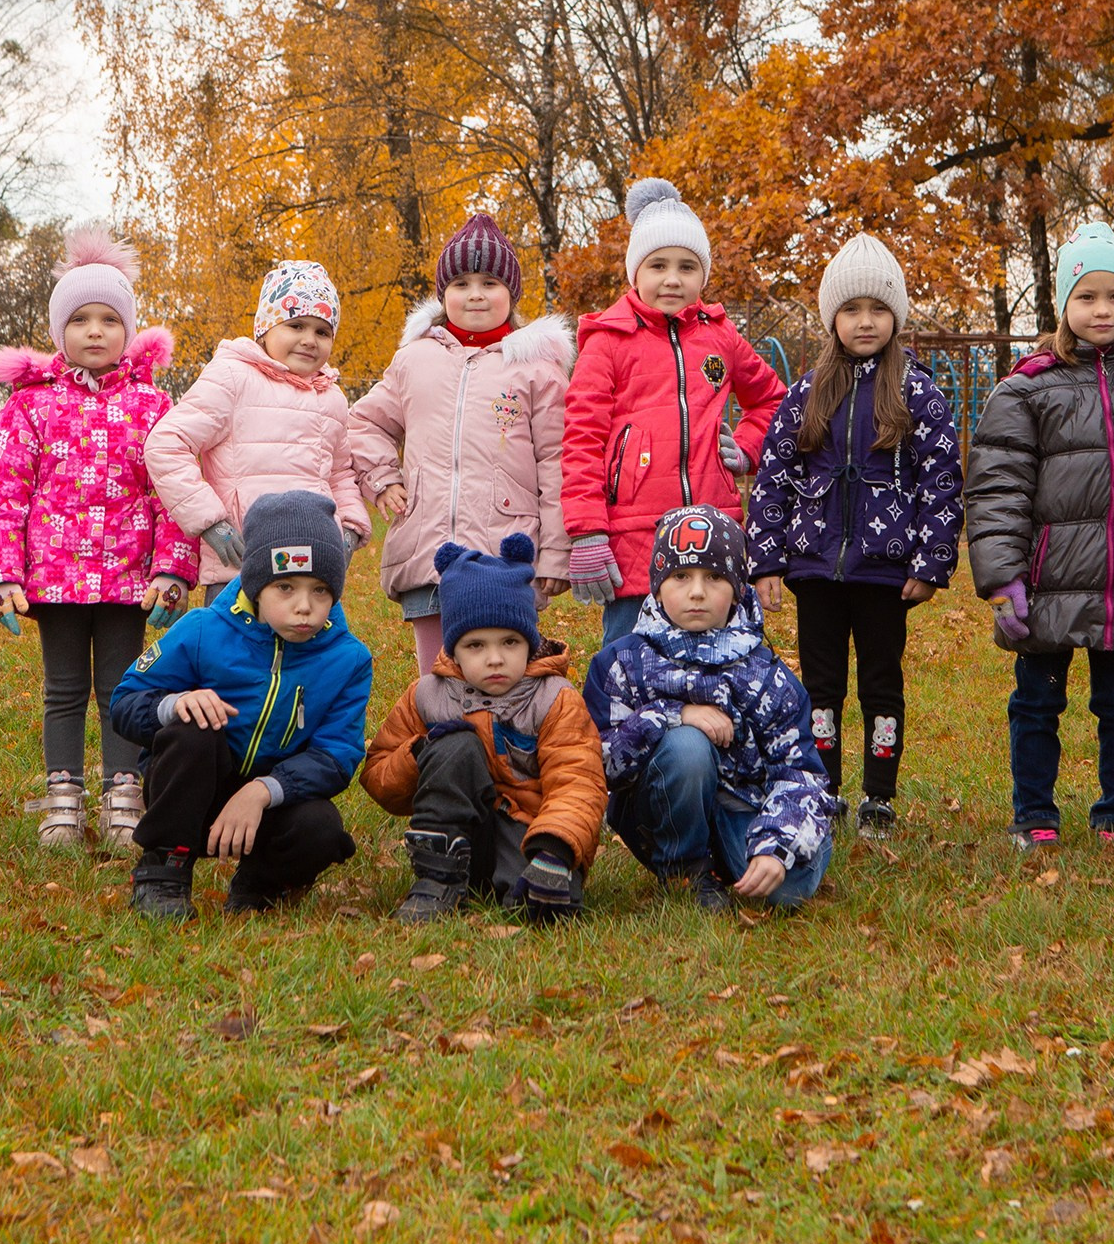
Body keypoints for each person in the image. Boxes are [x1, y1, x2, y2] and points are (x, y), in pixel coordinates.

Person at [0, 228, 198, 852]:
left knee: (123, 688)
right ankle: (63, 794)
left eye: (109, 319)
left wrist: (172, 569)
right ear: (59, 330)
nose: (95, 331)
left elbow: (171, 493)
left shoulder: (154, 405)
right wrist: (1, 574)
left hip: (130, 579)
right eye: (80, 319)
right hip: (56, 578)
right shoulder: (31, 407)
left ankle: (123, 791)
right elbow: (2, 492)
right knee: (65, 688)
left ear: (129, 330)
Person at [746, 233, 963, 839]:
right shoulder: (807, 393)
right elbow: (774, 476)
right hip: (815, 566)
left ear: (895, 314)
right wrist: (766, 559)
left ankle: (879, 793)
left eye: (877, 309)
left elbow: (941, 479)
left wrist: (932, 559)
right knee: (820, 685)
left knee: (879, 682)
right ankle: (825, 785)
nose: (865, 322)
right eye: (851, 310)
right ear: (831, 318)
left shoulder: (917, 391)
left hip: (883, 570)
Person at [966, 223, 1114, 850]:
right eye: (1086, 296)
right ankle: (1034, 812)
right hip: (1046, 580)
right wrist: (1003, 577)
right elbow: (998, 488)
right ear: (1063, 305)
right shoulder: (1027, 388)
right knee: (1036, 703)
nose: (1101, 310)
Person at [108, 492, 372, 921]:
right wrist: (175, 704)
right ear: (256, 584)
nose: (304, 606)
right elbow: (125, 701)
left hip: (269, 803)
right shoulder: (201, 629)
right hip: (193, 790)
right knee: (193, 731)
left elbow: (337, 756)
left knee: (321, 827)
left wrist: (262, 791)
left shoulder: (349, 659)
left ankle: (259, 885)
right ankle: (163, 872)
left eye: (320, 590)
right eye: (285, 587)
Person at [561, 179, 784, 648]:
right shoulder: (606, 343)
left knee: (720, 653)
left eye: (687, 267)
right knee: (627, 658)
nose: (672, 279)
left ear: (702, 276)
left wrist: (745, 448)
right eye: (658, 265)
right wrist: (587, 532)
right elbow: (581, 438)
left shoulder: (721, 337)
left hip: (711, 529)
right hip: (632, 536)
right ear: (634, 272)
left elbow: (772, 400)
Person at [347, 214, 573, 673]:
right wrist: (383, 478)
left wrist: (556, 550)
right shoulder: (414, 361)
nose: (474, 294)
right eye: (461, 282)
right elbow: (363, 423)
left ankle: (504, 743)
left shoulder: (537, 370)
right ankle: (439, 742)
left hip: (506, 551)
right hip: (427, 545)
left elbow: (557, 461)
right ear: (442, 294)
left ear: (511, 293)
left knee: (501, 673)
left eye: (490, 282)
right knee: (438, 678)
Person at [587, 504, 836, 910]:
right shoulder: (621, 664)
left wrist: (777, 845)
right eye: (681, 576)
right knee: (687, 746)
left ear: (738, 587)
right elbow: (596, 762)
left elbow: (801, 772)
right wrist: (670, 717)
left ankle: (744, 856)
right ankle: (683, 868)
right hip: (659, 808)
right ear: (657, 585)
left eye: (715, 577)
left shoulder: (765, 673)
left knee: (786, 889)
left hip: (743, 806)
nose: (697, 592)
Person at [360, 534, 605, 923]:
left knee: (547, 908)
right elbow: (378, 777)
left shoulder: (554, 698)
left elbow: (578, 782)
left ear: (530, 642)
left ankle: (543, 871)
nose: (495, 658)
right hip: (460, 831)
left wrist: (555, 849)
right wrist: (420, 755)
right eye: (476, 646)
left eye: (509, 642)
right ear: (453, 648)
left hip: (529, 831)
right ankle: (438, 878)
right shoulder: (428, 695)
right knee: (453, 746)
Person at [146, 260, 368, 602]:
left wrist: (350, 525)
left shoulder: (332, 398)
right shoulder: (232, 378)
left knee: (312, 657)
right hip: (240, 568)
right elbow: (166, 443)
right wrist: (210, 522)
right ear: (265, 330)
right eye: (296, 325)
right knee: (235, 656)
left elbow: (339, 473)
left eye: (322, 331)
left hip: (312, 573)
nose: (310, 340)